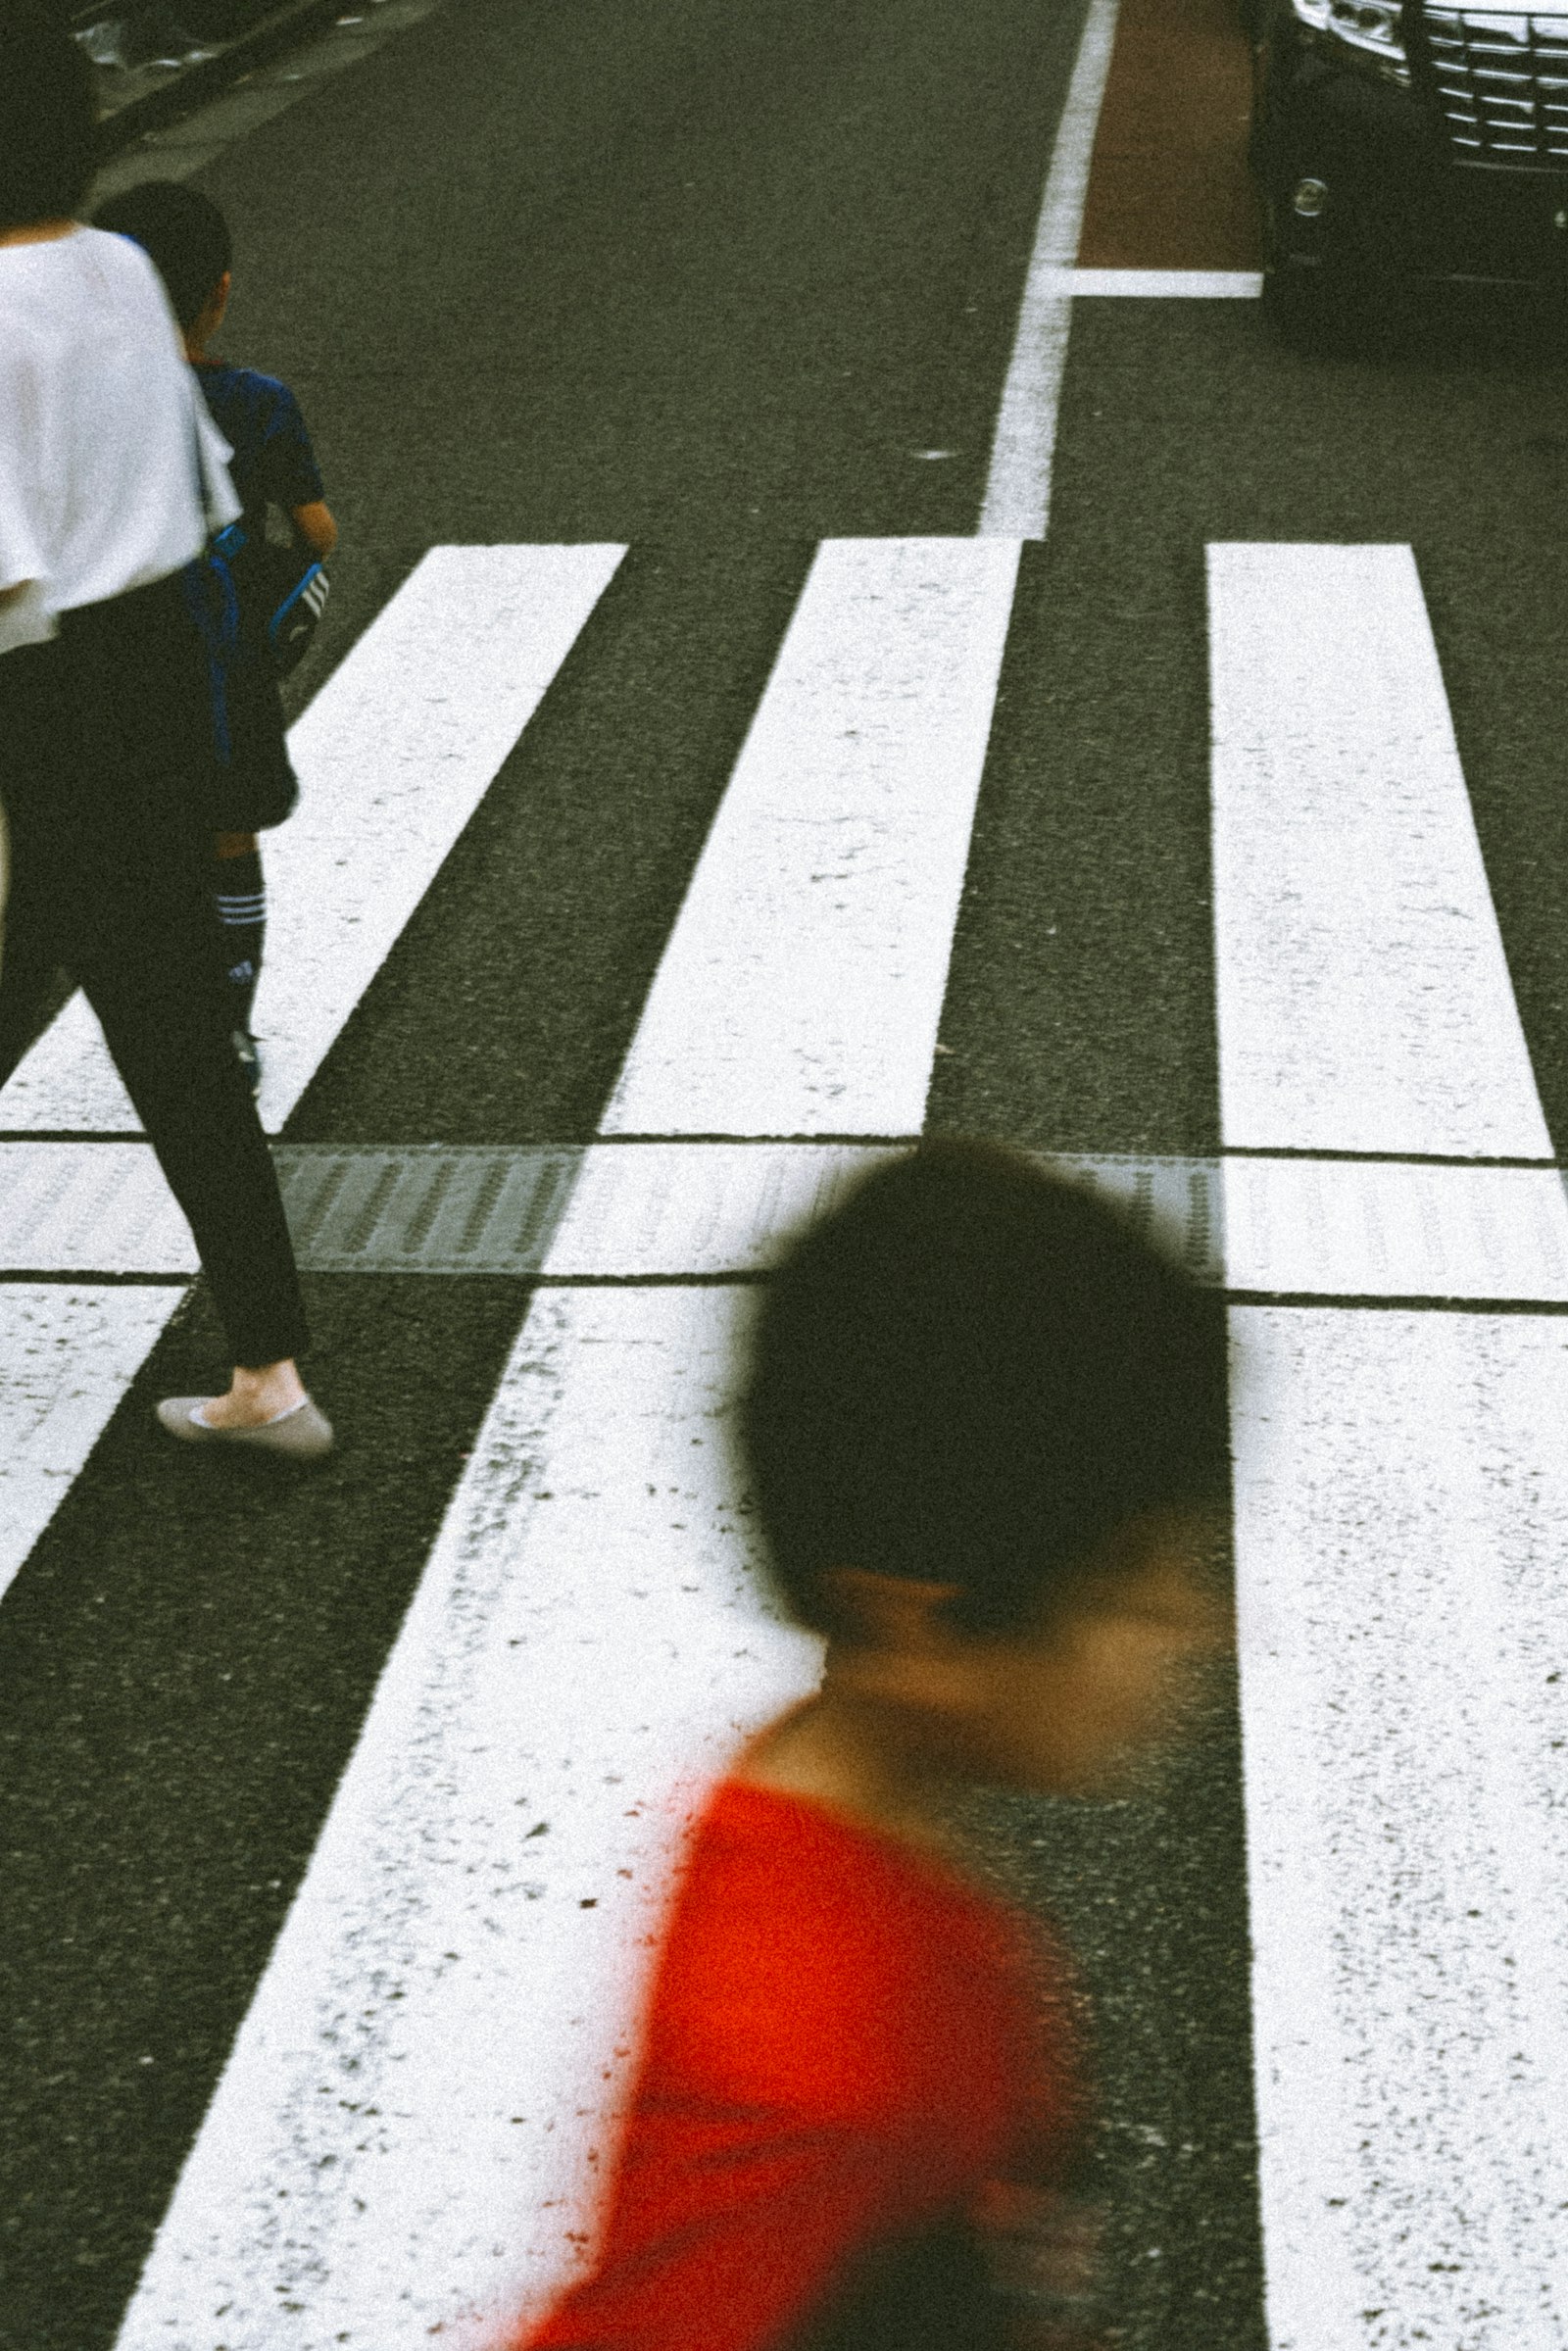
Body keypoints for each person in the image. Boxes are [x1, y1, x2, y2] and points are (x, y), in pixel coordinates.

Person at [513, 1139, 1234, 2350]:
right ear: (920, 1624)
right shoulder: (808, 2066)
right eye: (1127, 1575)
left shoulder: (869, 1835)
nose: (1194, 1621)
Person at [0, 4, 332, 1461]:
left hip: (35, 710)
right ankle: (271, 1370)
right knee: (187, 1050)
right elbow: (198, 500)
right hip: (152, 690)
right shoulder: (125, 275)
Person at [93, 177, 338, 1095]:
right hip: (225, 660)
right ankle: (230, 1026)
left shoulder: (90, 405)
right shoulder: (258, 401)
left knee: (135, 839)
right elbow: (317, 533)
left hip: (114, 652)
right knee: (231, 834)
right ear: (221, 293)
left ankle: (155, 1013)